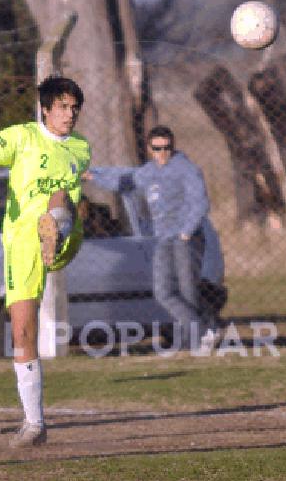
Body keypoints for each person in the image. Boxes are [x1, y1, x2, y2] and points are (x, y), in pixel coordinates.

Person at [0, 76, 90, 447]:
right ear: (45, 109)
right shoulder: (23, 137)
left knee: (60, 197)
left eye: (74, 108)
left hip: (67, 232)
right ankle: (35, 424)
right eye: (63, 107)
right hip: (22, 243)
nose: (70, 114)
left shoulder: (80, 148)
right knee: (22, 331)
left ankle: (55, 228)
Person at [84, 124, 215, 351]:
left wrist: (186, 232)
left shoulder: (186, 169)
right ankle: (205, 330)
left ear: (173, 147)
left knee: (187, 291)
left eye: (167, 148)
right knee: (163, 291)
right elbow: (125, 179)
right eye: (157, 148)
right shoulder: (150, 170)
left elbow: (200, 203)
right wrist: (93, 175)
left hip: (186, 239)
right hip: (164, 239)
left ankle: (193, 341)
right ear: (149, 149)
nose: (162, 153)